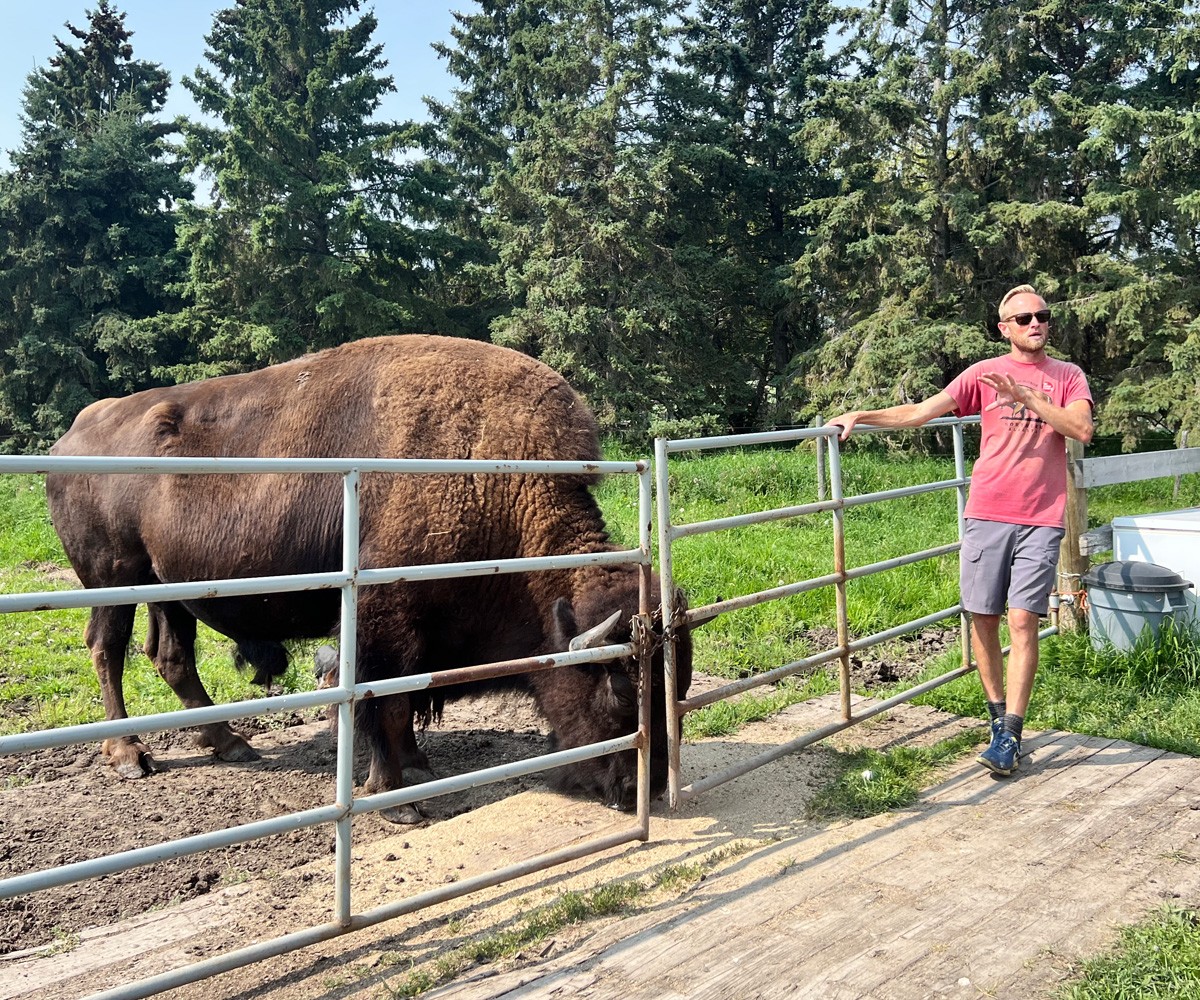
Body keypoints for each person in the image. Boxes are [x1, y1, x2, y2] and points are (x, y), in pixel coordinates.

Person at [827, 285, 1094, 776]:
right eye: (1023, 318)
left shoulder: (1067, 376)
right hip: (987, 513)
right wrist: (859, 416)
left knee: (1022, 621)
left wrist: (1033, 400)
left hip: (1040, 519)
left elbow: (1081, 430)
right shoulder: (983, 375)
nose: (1035, 324)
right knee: (983, 619)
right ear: (1004, 328)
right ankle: (998, 724)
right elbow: (919, 412)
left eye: (1042, 316)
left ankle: (1012, 732)